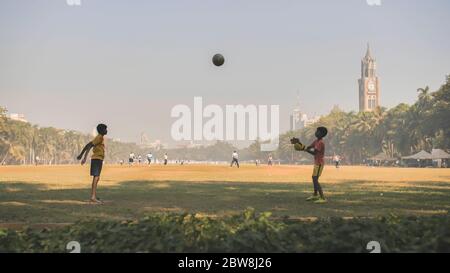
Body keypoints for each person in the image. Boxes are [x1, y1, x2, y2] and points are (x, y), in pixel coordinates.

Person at [291, 126, 328, 204]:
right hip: (317, 163)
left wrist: (303, 149)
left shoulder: (320, 142)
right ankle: (315, 195)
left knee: (315, 179)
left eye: (317, 131)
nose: (316, 132)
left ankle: (322, 198)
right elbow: (308, 147)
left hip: (320, 163)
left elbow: (314, 152)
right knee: (314, 178)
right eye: (316, 131)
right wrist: (299, 143)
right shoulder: (316, 141)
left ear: (322, 134)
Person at [77, 123, 108, 204]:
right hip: (96, 159)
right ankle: (93, 197)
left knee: (97, 178)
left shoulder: (100, 138)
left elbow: (89, 145)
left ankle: (93, 195)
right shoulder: (100, 137)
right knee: (96, 177)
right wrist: (83, 156)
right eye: (105, 129)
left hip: (98, 159)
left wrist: (83, 155)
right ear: (102, 130)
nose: (106, 130)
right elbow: (89, 145)